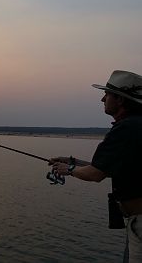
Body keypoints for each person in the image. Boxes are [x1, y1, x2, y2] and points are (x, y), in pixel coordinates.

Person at [49, 70, 142, 263]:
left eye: (107, 94)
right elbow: (106, 168)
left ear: (120, 100)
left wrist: (69, 170)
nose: (102, 99)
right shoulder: (136, 127)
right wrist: (72, 161)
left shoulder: (126, 129)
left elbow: (96, 174)